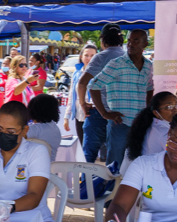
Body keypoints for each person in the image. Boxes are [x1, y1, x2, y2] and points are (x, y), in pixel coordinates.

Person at [87, 29, 154, 173]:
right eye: (129, 40)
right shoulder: (116, 63)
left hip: (140, 124)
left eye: (136, 40)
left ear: (145, 44)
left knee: (138, 164)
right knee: (114, 166)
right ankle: (112, 194)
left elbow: (149, 88)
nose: (131, 44)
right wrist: (105, 113)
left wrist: (148, 111)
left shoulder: (148, 65)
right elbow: (93, 85)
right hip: (120, 123)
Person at [77, 24, 126, 165]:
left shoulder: (100, 57)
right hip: (122, 115)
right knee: (116, 158)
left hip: (99, 112)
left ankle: (88, 185)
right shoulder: (129, 57)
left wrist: (83, 104)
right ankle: (112, 186)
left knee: (89, 157)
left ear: (102, 39)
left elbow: (82, 83)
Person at [124, 91, 177, 169]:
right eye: (168, 107)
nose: (175, 110)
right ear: (156, 113)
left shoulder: (150, 124)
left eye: (176, 105)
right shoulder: (164, 132)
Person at [63, 44, 97, 144]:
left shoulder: (100, 73)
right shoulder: (76, 73)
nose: (89, 58)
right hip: (79, 115)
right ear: (81, 56)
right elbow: (71, 95)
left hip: (94, 115)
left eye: (92, 56)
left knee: (92, 148)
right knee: (82, 146)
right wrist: (66, 117)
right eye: (86, 55)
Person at [27, 94, 61, 161]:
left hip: (34, 167)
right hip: (50, 167)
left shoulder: (35, 129)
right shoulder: (55, 128)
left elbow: (16, 138)